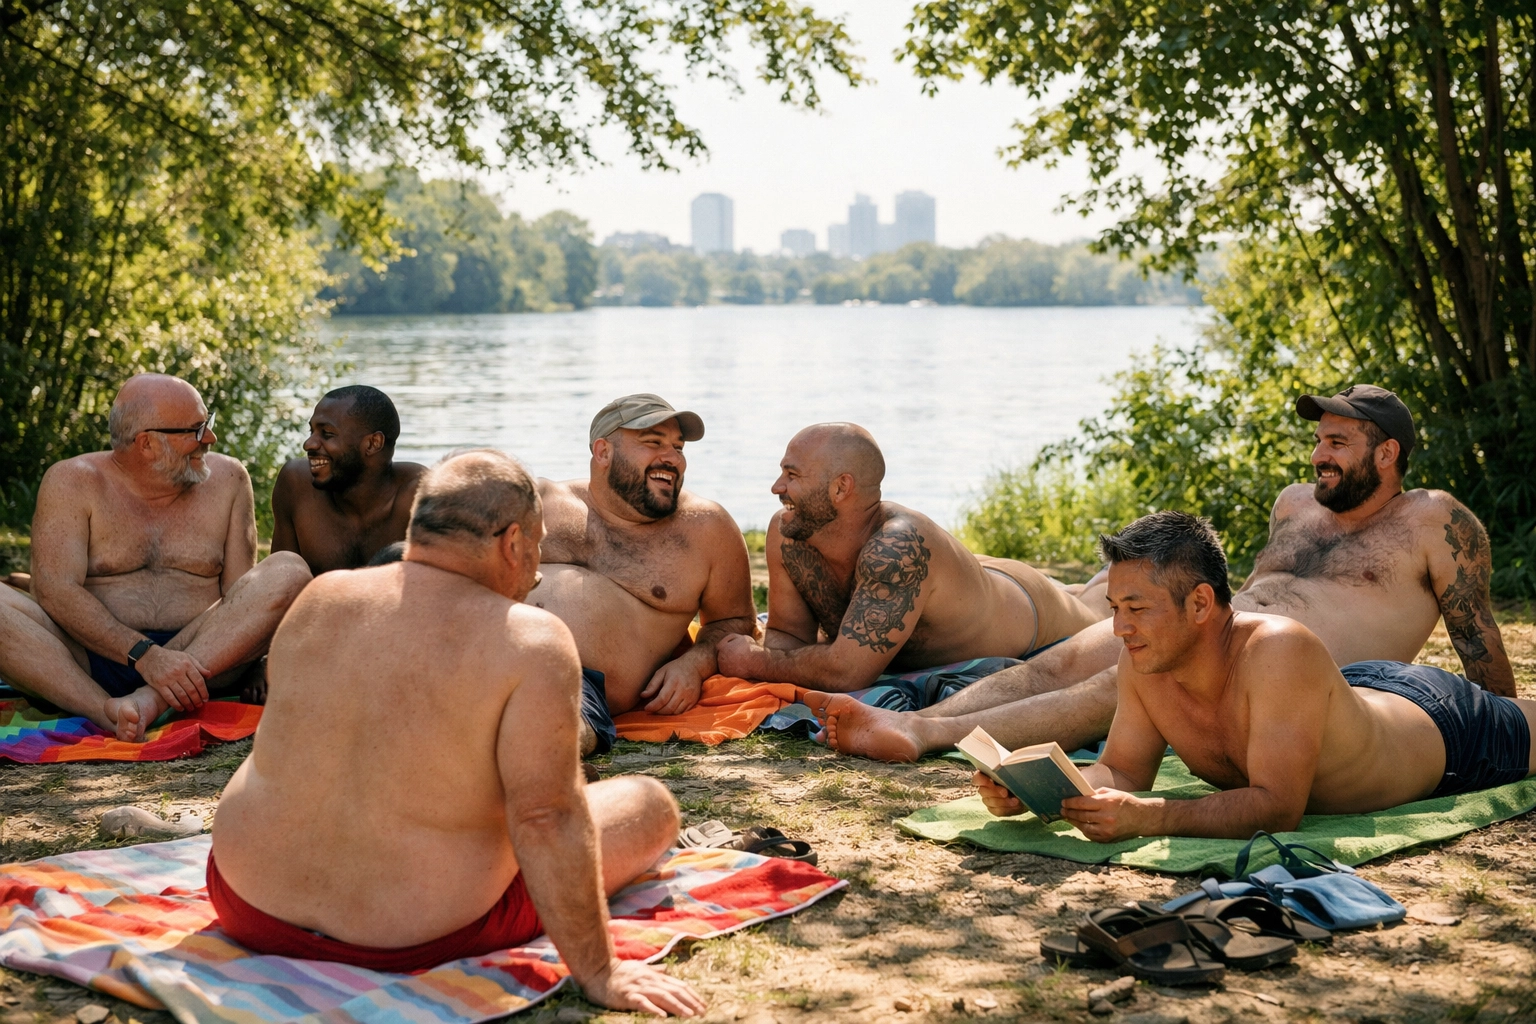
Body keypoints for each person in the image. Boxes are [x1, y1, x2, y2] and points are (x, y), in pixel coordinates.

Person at [210, 450, 705, 1016]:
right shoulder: (532, 640)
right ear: (513, 542)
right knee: (649, 804)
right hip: (409, 933)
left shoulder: (320, 599)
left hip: (247, 901)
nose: (538, 571)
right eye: (538, 547)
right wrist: (599, 969)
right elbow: (546, 819)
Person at [808, 385, 1515, 761]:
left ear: (1387, 453)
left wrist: (1506, 727)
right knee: (1060, 662)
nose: (1318, 455)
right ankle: (919, 720)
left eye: (1338, 442)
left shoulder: (1433, 522)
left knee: (1124, 682)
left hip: (1283, 675)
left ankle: (924, 737)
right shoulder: (1295, 504)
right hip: (1220, 628)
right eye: (1318, 439)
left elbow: (1479, 637)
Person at [974, 511, 1535, 839]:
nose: (1119, 627)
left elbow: (1277, 807)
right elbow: (1122, 771)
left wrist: (1151, 819)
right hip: (1349, 694)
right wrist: (1046, 794)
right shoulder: (1146, 662)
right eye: (1115, 607)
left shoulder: (1276, 649)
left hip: (1444, 728)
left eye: (1137, 609)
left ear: (1199, 603)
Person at [0, 374, 311, 740]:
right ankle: (103, 710)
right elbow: (55, 591)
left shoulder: (229, 479)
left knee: (290, 570)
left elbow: (241, 595)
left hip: (201, 660)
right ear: (145, 443)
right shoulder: (72, 481)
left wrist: (255, 660)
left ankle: (149, 702)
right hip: (83, 660)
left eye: (206, 424)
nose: (209, 438)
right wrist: (145, 656)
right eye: (195, 430)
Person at [715, 423, 1104, 690]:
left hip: (1025, 606)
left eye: (792, 475)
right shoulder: (790, 533)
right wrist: (780, 661)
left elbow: (848, 673)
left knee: (1100, 610)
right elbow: (787, 637)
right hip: (957, 580)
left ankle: (1103, 577)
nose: (776, 487)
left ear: (840, 488)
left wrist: (756, 662)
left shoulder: (897, 547)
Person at [529, 395, 756, 755]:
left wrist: (695, 664)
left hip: (573, 684)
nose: (673, 458)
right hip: (488, 648)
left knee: (543, 738)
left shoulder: (707, 529)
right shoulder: (540, 504)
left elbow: (736, 621)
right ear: (603, 452)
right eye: (653, 443)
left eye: (678, 447)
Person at [270, 385, 426, 574]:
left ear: (372, 443)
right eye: (311, 431)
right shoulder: (296, 485)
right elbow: (279, 581)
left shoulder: (419, 496)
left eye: (327, 434)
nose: (308, 444)